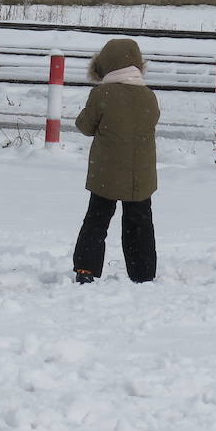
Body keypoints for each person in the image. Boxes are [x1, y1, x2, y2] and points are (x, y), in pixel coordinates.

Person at [72, 37, 160, 284]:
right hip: (140, 174)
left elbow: (85, 126)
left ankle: (86, 269)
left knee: (97, 220)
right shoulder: (149, 96)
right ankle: (143, 272)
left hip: (107, 173)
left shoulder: (102, 93)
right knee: (140, 222)